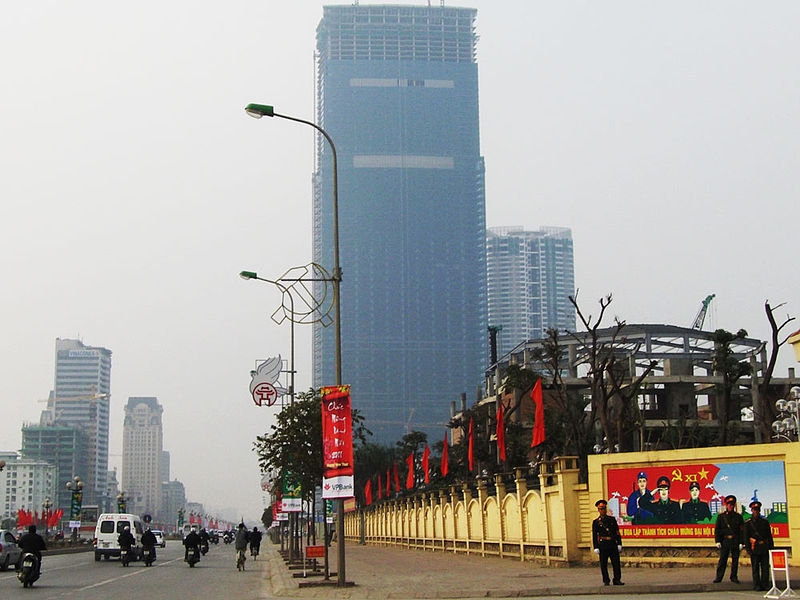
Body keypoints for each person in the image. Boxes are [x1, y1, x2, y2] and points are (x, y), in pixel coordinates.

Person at [592, 499, 623, 586]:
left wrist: (619, 543)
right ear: (598, 510)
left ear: (606, 509)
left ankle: (617, 579)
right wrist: (596, 547)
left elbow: (617, 532)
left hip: (612, 543)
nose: (602, 510)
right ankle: (606, 580)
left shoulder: (612, 519)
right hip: (603, 544)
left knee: (616, 563)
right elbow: (595, 535)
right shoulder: (596, 522)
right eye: (600, 509)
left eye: (604, 508)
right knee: (603, 564)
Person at [744, 500, 774, 591]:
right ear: (751, 510)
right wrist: (748, 549)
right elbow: (746, 537)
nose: (756, 511)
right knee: (755, 567)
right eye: (754, 510)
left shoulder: (764, 522)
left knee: (765, 567)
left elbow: (769, 535)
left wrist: (771, 547)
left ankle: (765, 584)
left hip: (764, 547)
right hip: (755, 547)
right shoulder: (748, 523)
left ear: (759, 510)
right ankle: (757, 584)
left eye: (757, 509)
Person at [714, 494, 744, 584]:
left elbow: (741, 531)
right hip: (725, 541)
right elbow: (717, 530)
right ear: (726, 505)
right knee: (723, 560)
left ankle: (734, 577)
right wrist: (718, 541)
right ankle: (719, 577)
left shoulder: (738, 517)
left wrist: (741, 542)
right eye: (729, 504)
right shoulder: (721, 517)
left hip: (735, 540)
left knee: (735, 560)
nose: (731, 506)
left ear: (734, 505)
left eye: (732, 504)